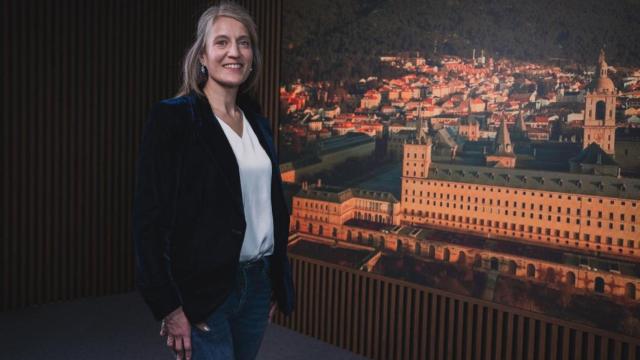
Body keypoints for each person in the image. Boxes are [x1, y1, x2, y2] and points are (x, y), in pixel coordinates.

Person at [133, 3, 295, 360]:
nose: (234, 52)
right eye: (221, 42)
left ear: (252, 57)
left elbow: (268, 207)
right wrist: (169, 307)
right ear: (203, 55)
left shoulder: (257, 124)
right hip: (204, 291)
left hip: (257, 283)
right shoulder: (174, 119)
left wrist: (271, 283)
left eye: (243, 43)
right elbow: (149, 222)